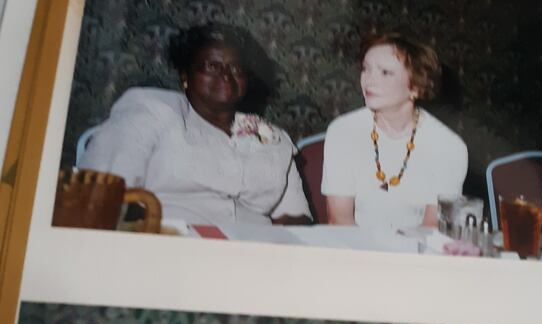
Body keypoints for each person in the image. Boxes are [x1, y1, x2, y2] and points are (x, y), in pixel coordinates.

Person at [79, 24, 312, 226]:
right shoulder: (151, 109)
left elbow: (296, 218)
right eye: (211, 66)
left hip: (252, 255)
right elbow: (102, 197)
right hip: (169, 247)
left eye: (237, 68)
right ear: (185, 76)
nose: (226, 76)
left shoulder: (272, 136)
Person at [322, 33, 468, 231]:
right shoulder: (342, 132)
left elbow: (433, 227)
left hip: (414, 256)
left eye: (385, 72)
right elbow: (340, 222)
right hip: (354, 251)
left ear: (416, 87)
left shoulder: (448, 146)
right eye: (366, 69)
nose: (368, 80)